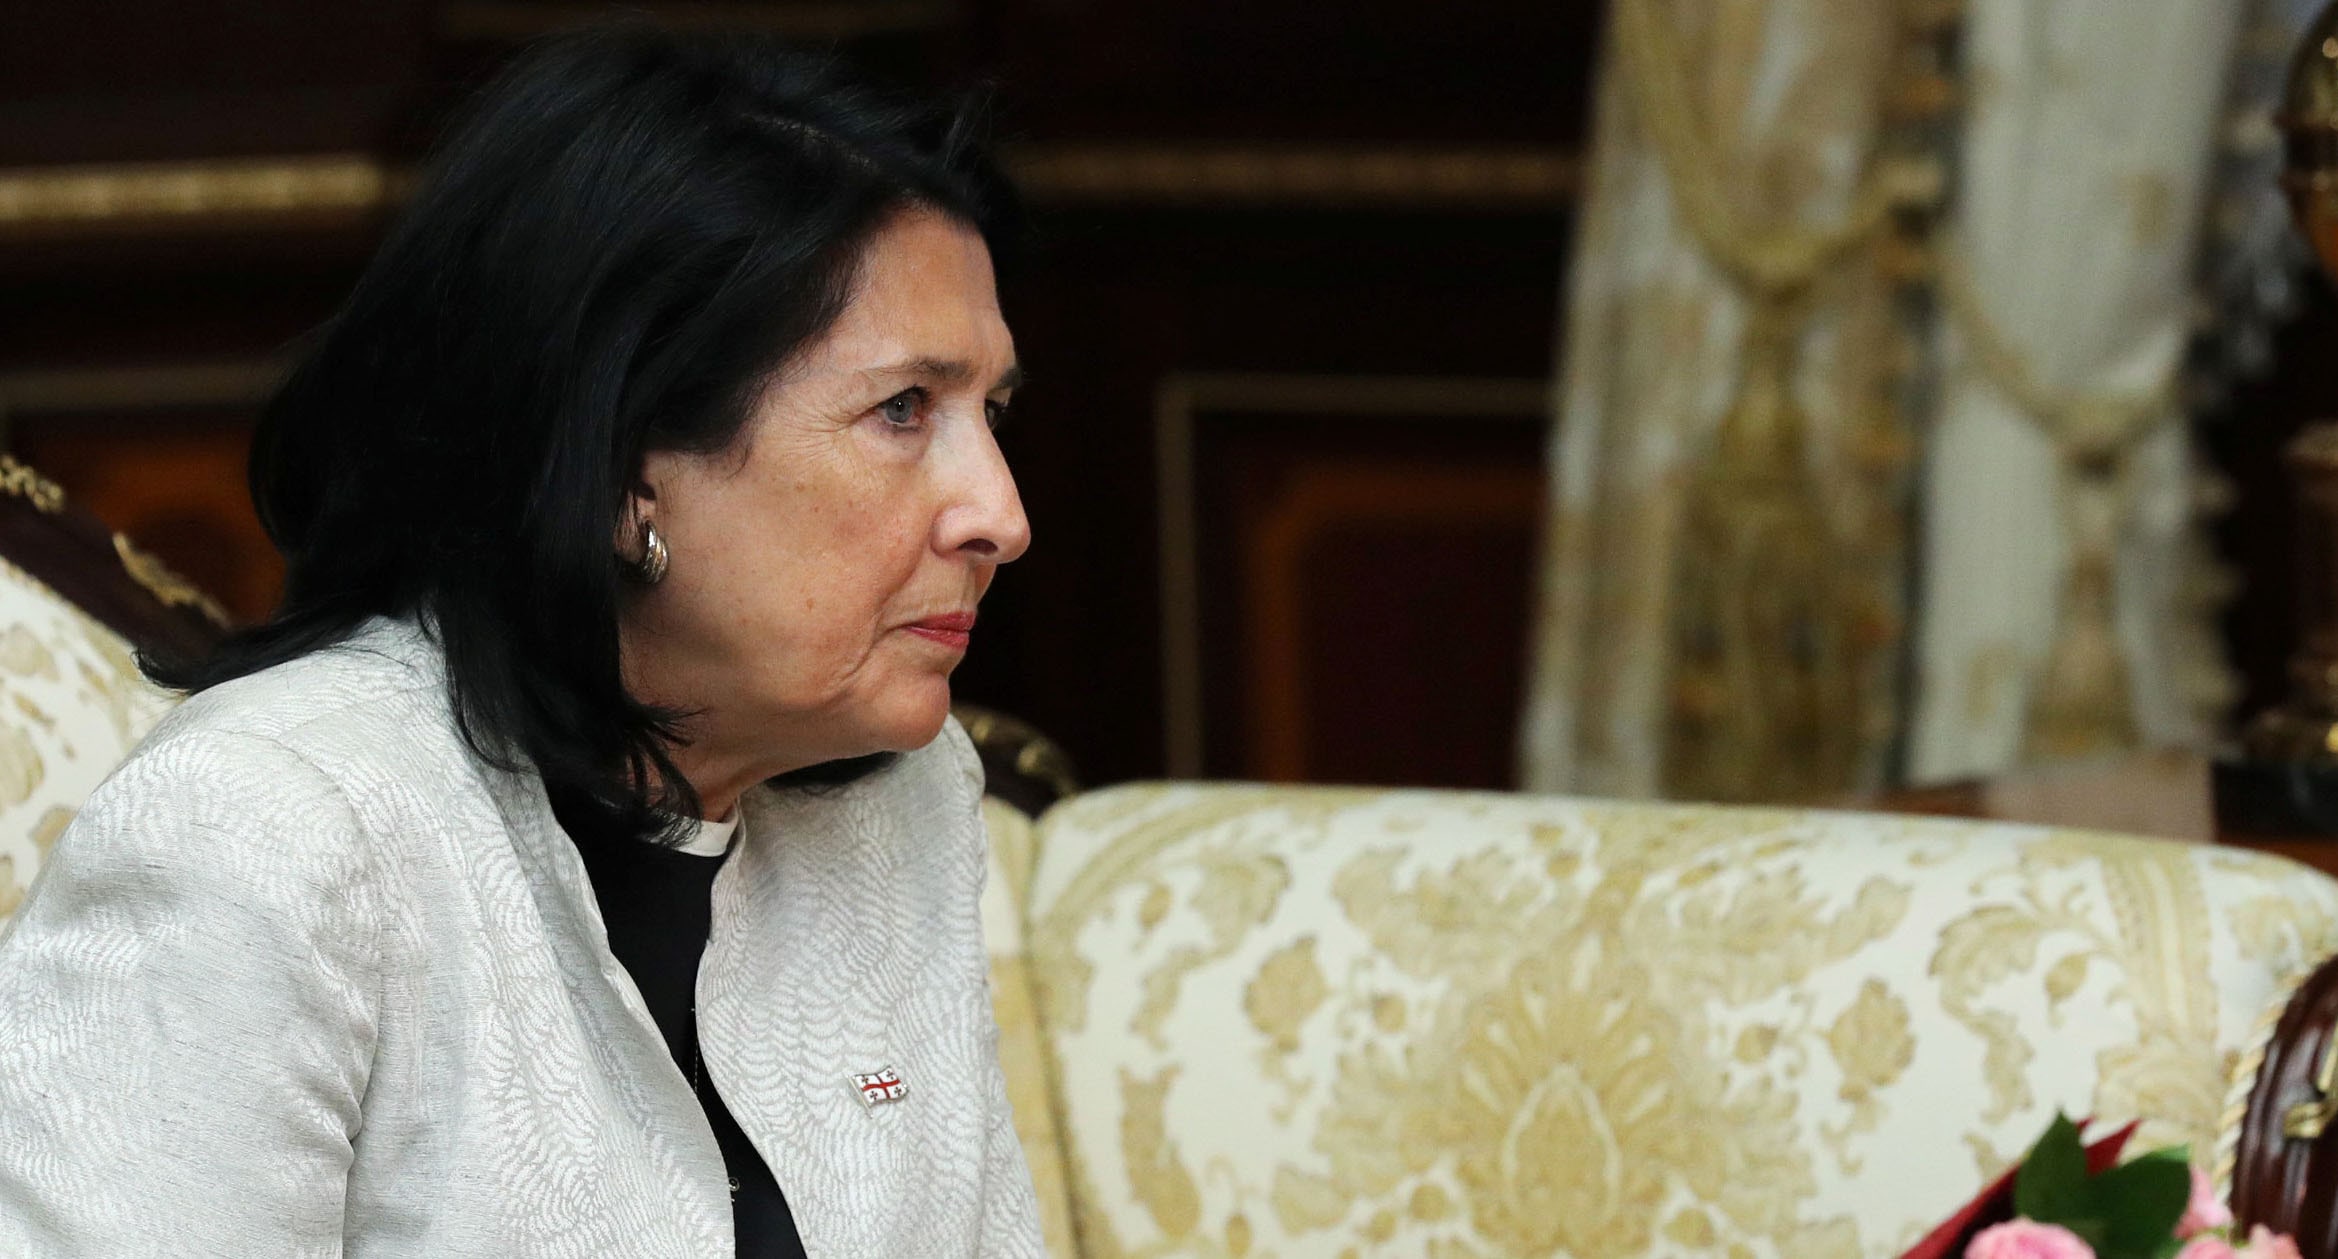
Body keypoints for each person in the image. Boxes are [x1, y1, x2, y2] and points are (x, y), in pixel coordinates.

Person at [0, 26, 1040, 1258]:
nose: (1002, 515)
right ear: (619, 467)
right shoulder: (268, 830)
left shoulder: (900, 805)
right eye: (902, 408)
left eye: (991, 409)